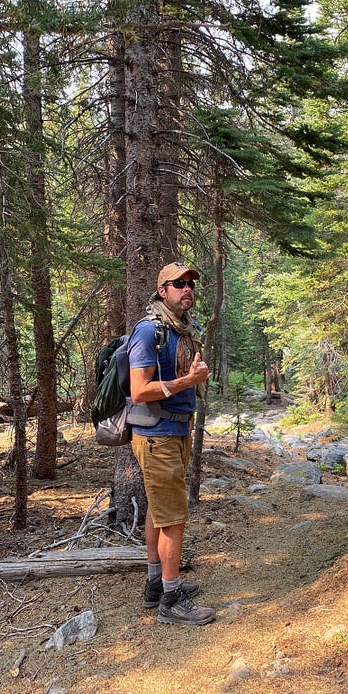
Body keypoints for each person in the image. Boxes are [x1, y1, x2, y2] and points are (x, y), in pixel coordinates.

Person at [128, 262, 216, 626]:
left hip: (174, 432)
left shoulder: (182, 328)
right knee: (174, 519)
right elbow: (138, 391)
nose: (187, 289)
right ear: (162, 291)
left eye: (190, 283)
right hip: (156, 436)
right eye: (178, 284)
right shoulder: (149, 331)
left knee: (159, 510)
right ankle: (171, 598)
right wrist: (187, 382)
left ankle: (155, 583)